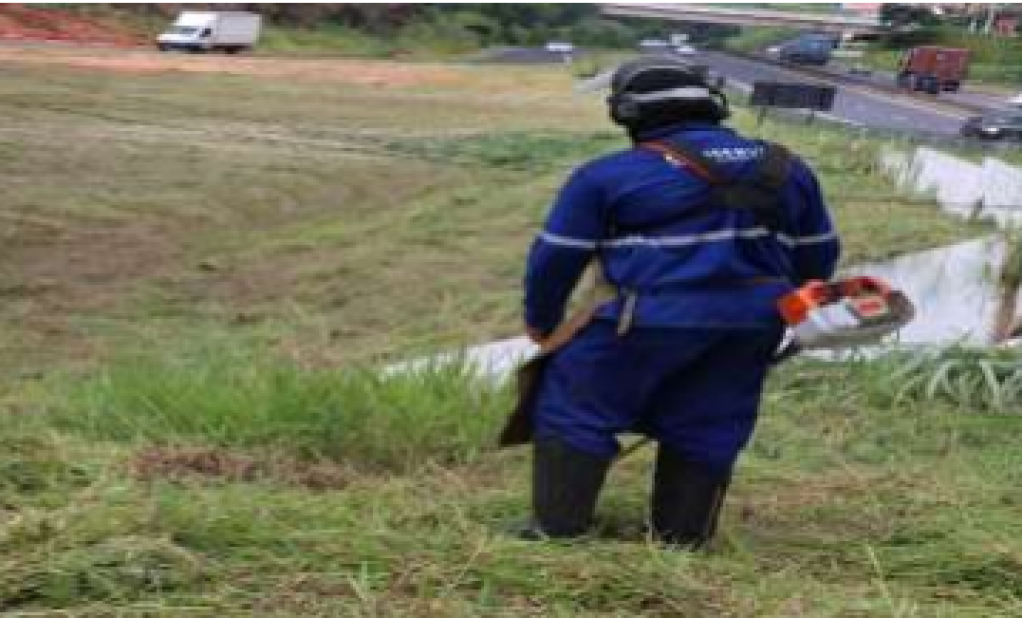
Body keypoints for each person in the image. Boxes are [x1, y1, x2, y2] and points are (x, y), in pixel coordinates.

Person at [521, 56, 840, 548]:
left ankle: (556, 534)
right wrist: (778, 312)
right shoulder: (788, 168)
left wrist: (544, 324)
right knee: (710, 422)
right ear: (713, 104)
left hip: (640, 321)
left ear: (626, 114)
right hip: (750, 326)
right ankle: (682, 542)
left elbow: (555, 260)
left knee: (575, 409)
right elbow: (818, 256)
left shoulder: (605, 176)